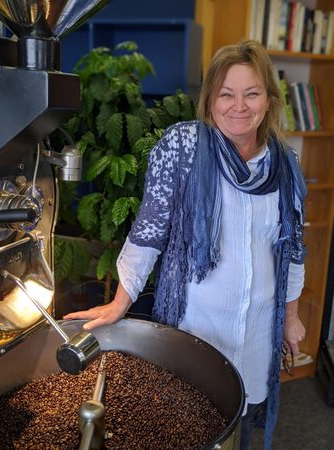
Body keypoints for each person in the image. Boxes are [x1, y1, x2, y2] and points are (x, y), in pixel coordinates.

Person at [64, 40, 307, 450]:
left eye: (251, 93)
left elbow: (293, 246)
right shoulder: (183, 147)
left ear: (269, 99)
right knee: (190, 424)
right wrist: (121, 300)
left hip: (257, 331)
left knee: (241, 423)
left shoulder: (285, 164)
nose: (239, 106)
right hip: (195, 328)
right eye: (226, 94)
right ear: (210, 99)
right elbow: (149, 228)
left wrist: (290, 315)